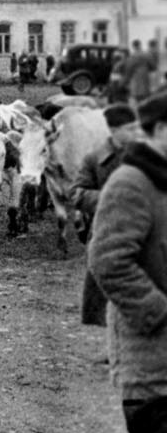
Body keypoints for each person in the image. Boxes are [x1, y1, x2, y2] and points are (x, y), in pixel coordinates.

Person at [87, 89, 167, 433]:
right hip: (154, 364)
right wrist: (158, 311)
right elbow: (108, 261)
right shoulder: (131, 183)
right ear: (158, 131)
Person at [74, 105, 145, 326]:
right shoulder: (94, 159)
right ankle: (110, 346)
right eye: (129, 129)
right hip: (105, 230)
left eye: (136, 128)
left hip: (141, 229)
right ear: (114, 130)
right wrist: (110, 197)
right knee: (103, 291)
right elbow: (78, 194)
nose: (135, 133)